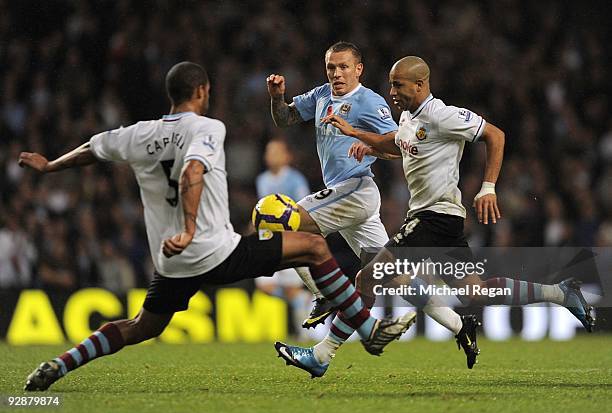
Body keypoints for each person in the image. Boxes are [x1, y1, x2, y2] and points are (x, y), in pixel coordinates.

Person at [21, 62, 417, 391]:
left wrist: (52, 165)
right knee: (313, 248)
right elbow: (193, 169)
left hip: (171, 262)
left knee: (141, 326)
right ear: (202, 92)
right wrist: (191, 227)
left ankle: (61, 363)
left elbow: (95, 147)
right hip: (214, 250)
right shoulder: (208, 128)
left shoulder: (139, 134)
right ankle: (366, 327)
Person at [280, 56, 594, 375]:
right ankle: (561, 292)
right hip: (444, 222)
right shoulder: (408, 117)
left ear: (419, 85)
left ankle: (321, 356)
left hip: (431, 220)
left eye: (398, 84)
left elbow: (495, 135)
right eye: (390, 83)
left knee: (367, 278)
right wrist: (364, 140)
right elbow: (396, 142)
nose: (391, 91)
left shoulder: (443, 115)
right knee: (477, 291)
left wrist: (488, 187)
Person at [269, 44, 485, 375]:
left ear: (359, 69)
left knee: (285, 222)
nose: (336, 74)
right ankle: (460, 325)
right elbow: (284, 118)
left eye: (343, 67)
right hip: (350, 199)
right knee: (393, 278)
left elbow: (400, 145)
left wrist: (365, 143)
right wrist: (277, 96)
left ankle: (326, 294)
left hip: (355, 189)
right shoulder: (320, 96)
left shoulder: (370, 102)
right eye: (331, 67)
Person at [254, 137, 313, 338]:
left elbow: (302, 209)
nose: (271, 156)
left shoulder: (295, 179)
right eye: (269, 152)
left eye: (277, 152)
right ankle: (302, 301)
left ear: (287, 156)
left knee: (291, 289)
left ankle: (304, 334)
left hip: (290, 240)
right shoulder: (261, 179)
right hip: (268, 240)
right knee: (264, 286)